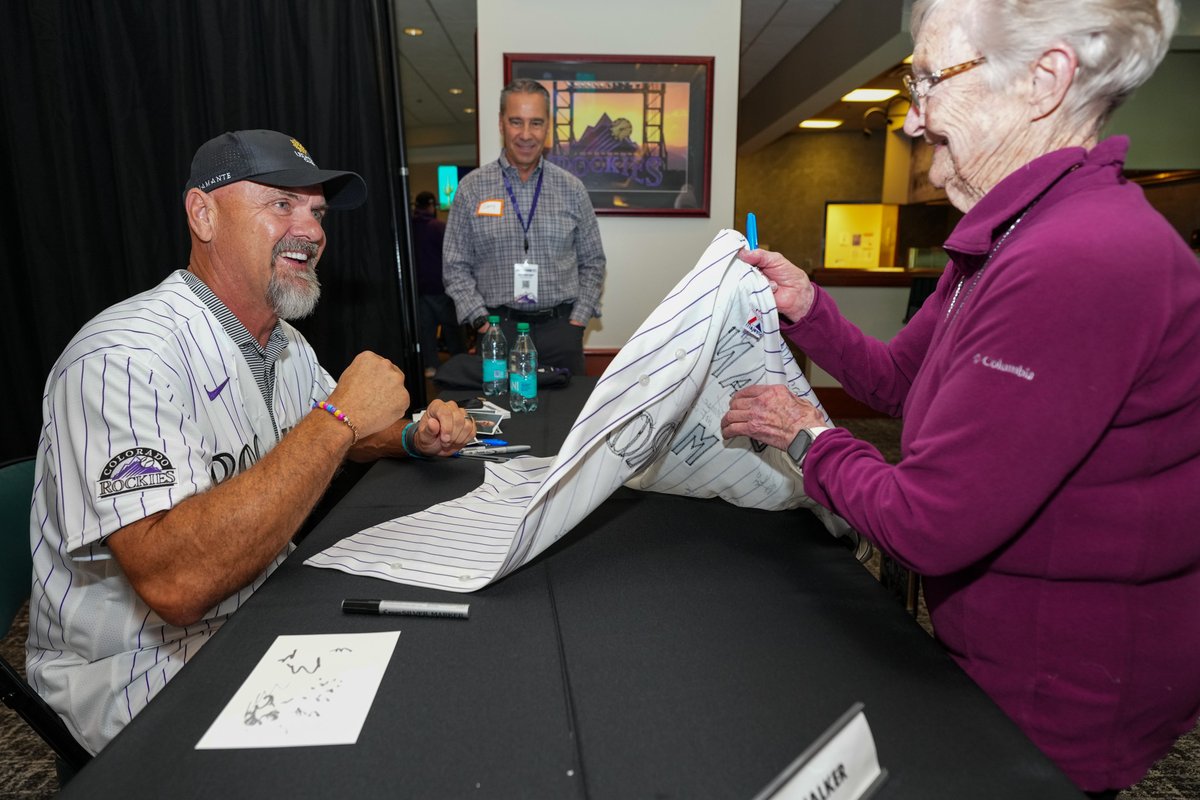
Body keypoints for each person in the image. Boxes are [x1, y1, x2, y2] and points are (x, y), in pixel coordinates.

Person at [720, 1, 1200, 796]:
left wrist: (808, 438)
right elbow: (896, 385)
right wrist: (810, 307)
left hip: (1062, 684)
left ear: (1044, 80)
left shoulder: (1081, 258)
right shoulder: (1005, 234)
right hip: (989, 648)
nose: (909, 119)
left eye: (927, 80)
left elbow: (931, 523)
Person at [26, 129, 476, 754]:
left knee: (441, 682)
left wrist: (409, 435)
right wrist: (340, 414)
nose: (312, 230)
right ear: (203, 214)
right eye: (281, 204)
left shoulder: (284, 345)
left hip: (259, 618)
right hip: (140, 676)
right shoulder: (123, 357)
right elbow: (175, 583)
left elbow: (340, 435)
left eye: (316, 212)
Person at [443, 78, 607, 378]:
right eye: (516, 122)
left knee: (566, 421)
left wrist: (577, 322)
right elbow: (455, 267)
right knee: (501, 421)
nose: (526, 134)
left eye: (536, 123)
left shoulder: (572, 188)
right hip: (497, 332)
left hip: (561, 333)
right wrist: (481, 321)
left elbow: (593, 262)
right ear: (501, 124)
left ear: (547, 128)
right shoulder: (471, 189)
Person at [411, 189, 465, 377]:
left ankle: (431, 366)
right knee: (452, 329)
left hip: (419, 289)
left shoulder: (409, 228)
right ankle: (460, 364)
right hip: (441, 288)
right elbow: (454, 255)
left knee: (427, 331)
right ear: (432, 206)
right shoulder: (439, 227)